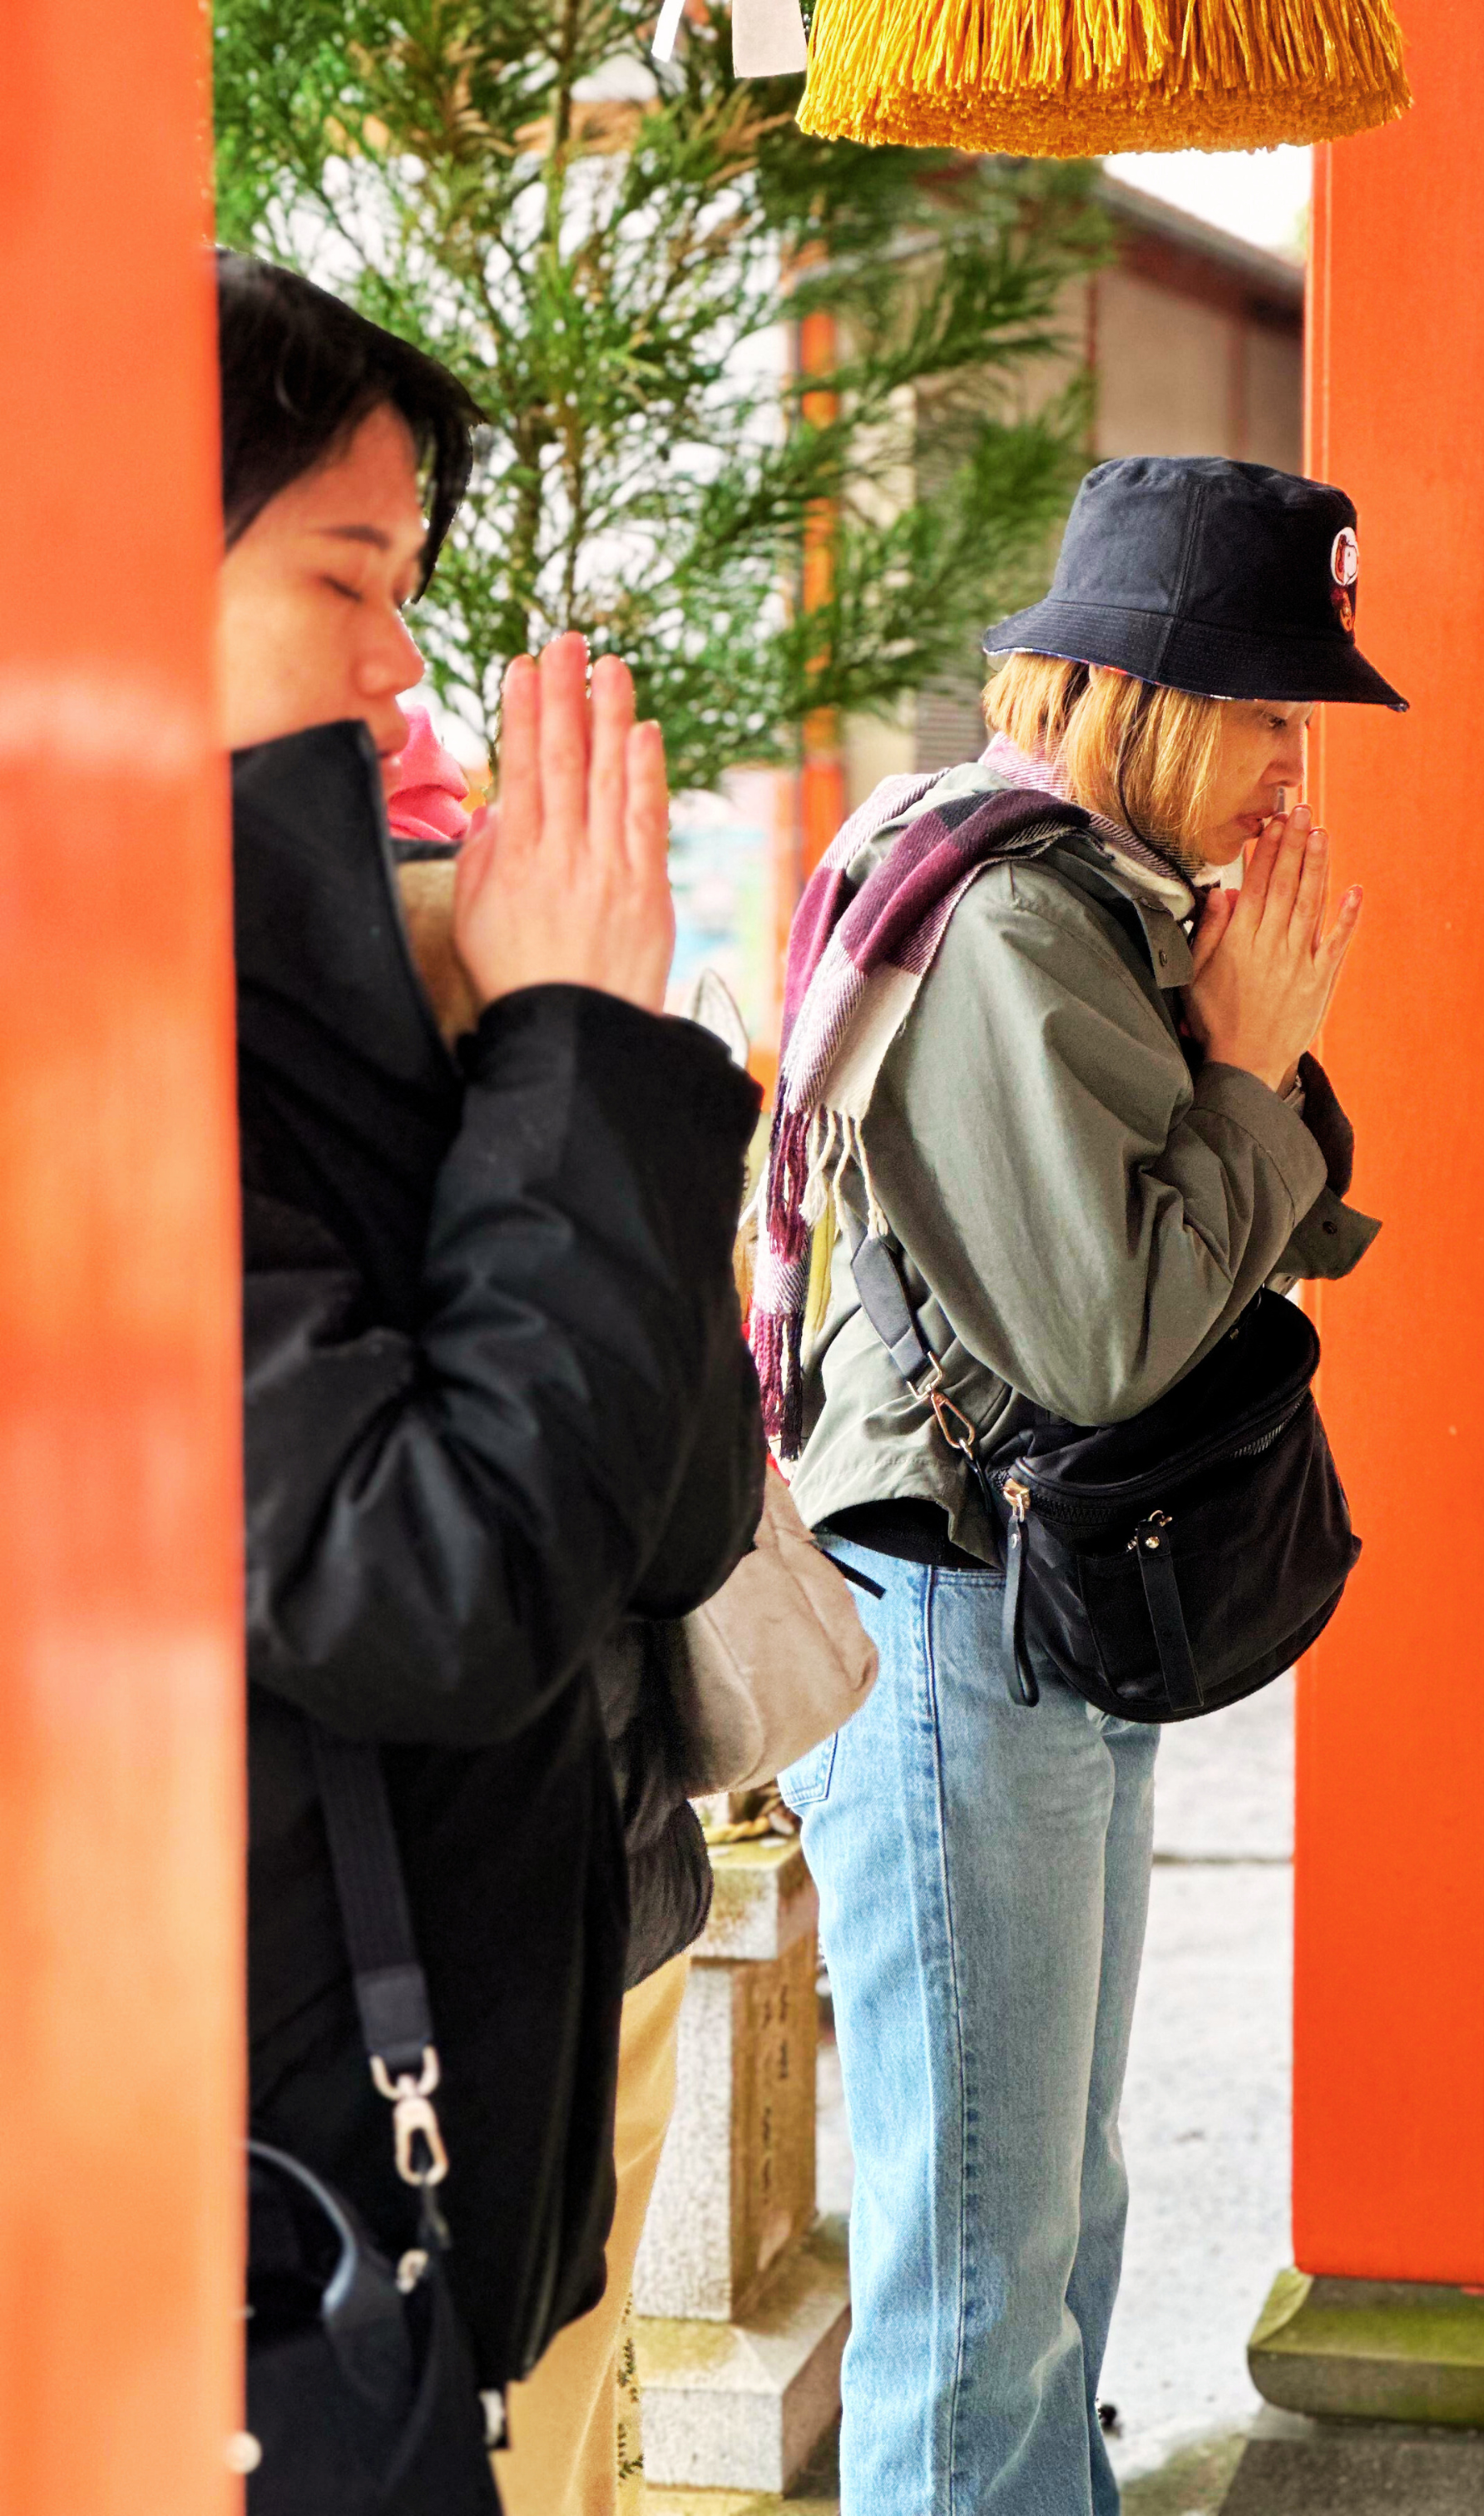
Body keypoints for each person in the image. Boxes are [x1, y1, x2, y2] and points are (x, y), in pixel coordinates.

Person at [759, 457, 1399, 2516]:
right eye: (1271, 717)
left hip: (1024, 1597)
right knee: (980, 2267)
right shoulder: (1017, 909)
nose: (1296, 771)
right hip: (952, 1605)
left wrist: (1250, 1047)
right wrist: (1242, 1060)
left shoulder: (1087, 884)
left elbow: (1254, 1244)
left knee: (1053, 2219)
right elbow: (1103, 1338)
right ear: (1147, 696)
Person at [220, 248, 764, 2499]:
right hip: (264, 2210)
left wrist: (554, 1060)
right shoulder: (81, 1016)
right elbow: (428, 1588)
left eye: (411, 582)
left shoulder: (338, 969)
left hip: (439, 2131)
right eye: (344, 576)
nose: (396, 655)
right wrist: (562, 1057)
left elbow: (681, 1513)